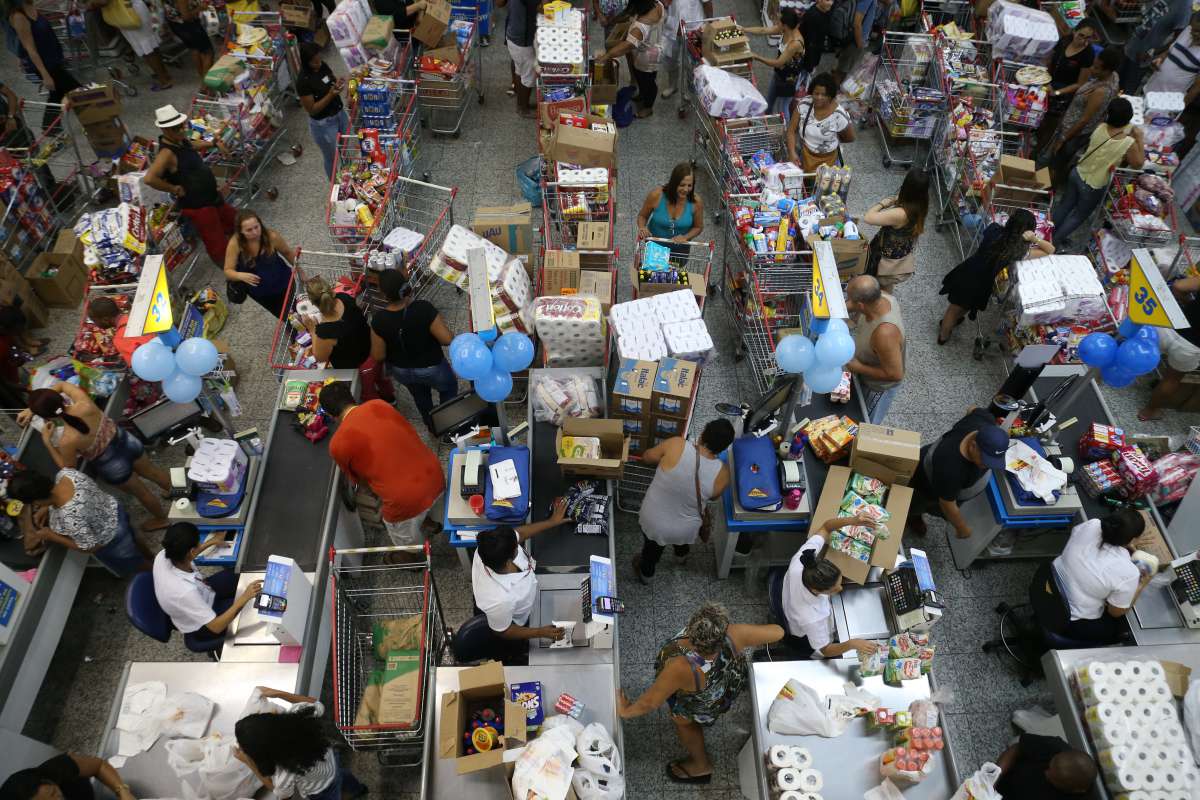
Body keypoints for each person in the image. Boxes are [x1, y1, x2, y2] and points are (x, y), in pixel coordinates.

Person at [617, 603, 783, 784]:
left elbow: (650, 702)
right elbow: (778, 632)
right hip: (725, 688)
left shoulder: (682, 667)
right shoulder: (735, 634)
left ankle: (701, 765)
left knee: (684, 723)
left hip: (699, 704)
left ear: (691, 626)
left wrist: (627, 711)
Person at [18, 384, 171, 529]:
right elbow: (62, 384)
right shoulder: (85, 403)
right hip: (125, 441)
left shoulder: (67, 440)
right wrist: (34, 407)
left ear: (46, 417)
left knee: (142, 492)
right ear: (60, 398)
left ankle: (161, 519)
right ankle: (182, 491)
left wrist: (47, 442)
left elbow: (68, 468)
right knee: (153, 472)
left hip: (111, 465)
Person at [319, 381, 443, 552]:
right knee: (420, 504)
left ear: (331, 416)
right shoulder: (379, 405)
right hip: (435, 474)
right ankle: (429, 522)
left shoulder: (338, 444)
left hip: (405, 502)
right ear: (352, 397)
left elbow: (360, 482)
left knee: (403, 537)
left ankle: (412, 557)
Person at [471, 499, 573, 662]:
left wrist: (551, 522)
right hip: (513, 622)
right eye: (515, 546)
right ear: (509, 560)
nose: (518, 542)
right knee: (515, 651)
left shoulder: (487, 548)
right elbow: (503, 631)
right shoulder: (500, 600)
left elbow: (520, 533)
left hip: (518, 600)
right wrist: (540, 632)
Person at [633, 419, 733, 583]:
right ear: (723, 448)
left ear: (702, 435)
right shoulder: (723, 473)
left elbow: (647, 457)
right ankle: (681, 557)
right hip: (686, 528)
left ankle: (646, 576)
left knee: (651, 552)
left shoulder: (676, 444)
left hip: (654, 522)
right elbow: (713, 497)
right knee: (681, 541)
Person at [938, 209, 1054, 344]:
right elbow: (1050, 250)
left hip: (968, 270)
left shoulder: (994, 229)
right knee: (961, 307)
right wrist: (1035, 239)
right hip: (983, 282)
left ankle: (948, 329)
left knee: (955, 306)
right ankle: (943, 335)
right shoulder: (1019, 250)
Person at [8, 468, 149, 576]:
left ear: (35, 500)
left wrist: (51, 536)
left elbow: (90, 547)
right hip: (116, 512)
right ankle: (151, 556)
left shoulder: (69, 517)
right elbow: (65, 496)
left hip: (112, 540)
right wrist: (48, 507)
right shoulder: (66, 473)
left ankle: (154, 573)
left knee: (136, 563)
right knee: (135, 538)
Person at [144, 104, 236, 268]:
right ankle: (228, 268)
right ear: (165, 130)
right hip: (198, 205)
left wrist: (213, 143)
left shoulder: (181, 140)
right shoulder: (166, 153)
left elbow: (193, 145)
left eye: (182, 127)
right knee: (215, 240)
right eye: (176, 129)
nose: (181, 131)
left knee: (232, 219)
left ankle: (239, 245)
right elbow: (149, 178)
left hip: (211, 196)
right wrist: (173, 188)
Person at [234, 688, 367, 800]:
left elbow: (281, 794)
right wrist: (278, 693)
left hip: (321, 789)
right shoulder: (297, 717)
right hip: (332, 762)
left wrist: (249, 763)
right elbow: (318, 705)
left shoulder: (285, 773)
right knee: (344, 777)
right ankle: (359, 790)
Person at [780, 514, 883, 658]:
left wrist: (853, 521)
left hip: (789, 596)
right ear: (816, 590)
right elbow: (826, 650)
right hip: (803, 637)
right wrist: (852, 644)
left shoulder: (802, 562)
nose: (840, 589)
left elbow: (826, 527)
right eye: (834, 589)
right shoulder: (812, 617)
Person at [369, 269, 457, 432]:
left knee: (421, 397)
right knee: (449, 388)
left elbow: (378, 355)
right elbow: (446, 339)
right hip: (433, 368)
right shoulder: (423, 308)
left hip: (402, 371)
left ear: (383, 294)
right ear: (405, 287)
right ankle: (448, 421)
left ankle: (432, 425)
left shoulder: (379, 320)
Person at [1051, 97, 1144, 251]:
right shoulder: (1129, 143)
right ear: (1129, 119)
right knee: (1078, 216)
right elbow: (1138, 164)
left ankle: (1047, 234)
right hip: (1094, 185)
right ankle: (1054, 242)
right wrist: (1140, 138)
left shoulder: (1100, 127)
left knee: (1065, 206)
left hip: (1078, 172)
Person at [153, 522, 262, 649]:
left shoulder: (165, 555)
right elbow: (216, 627)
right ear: (192, 551)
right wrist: (244, 598)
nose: (200, 545)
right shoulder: (184, 592)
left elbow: (190, 552)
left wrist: (212, 541)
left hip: (203, 591)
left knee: (239, 573)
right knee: (252, 607)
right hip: (205, 625)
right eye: (199, 543)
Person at [906, 407, 1009, 539]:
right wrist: (962, 528)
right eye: (985, 460)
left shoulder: (983, 420)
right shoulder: (951, 469)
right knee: (916, 504)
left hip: (953, 485)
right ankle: (913, 517)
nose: (988, 465)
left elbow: (972, 409)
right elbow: (947, 504)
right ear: (973, 445)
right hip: (926, 484)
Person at [1053, 510, 1154, 643]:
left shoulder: (1092, 524)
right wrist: (1141, 585)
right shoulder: (1128, 572)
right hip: (1070, 618)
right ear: (1134, 539)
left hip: (1050, 584)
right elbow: (1115, 612)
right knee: (1119, 627)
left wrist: (1124, 541)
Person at [1043, 45, 1123, 183]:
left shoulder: (1100, 92)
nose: (1092, 69)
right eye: (1094, 65)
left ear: (1107, 70)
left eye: (1097, 68)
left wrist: (1063, 139)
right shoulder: (1114, 77)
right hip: (1072, 127)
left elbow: (1083, 120)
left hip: (1074, 133)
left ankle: (1046, 190)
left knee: (1056, 164)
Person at [5, 0, 82, 131]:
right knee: (77, 91)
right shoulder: (18, 16)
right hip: (44, 64)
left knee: (56, 94)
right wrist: (45, 75)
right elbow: (30, 49)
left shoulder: (31, 5)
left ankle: (49, 129)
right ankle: (95, 118)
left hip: (54, 57)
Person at [844, 275, 905, 424]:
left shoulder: (885, 334)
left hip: (876, 387)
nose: (848, 303)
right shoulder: (880, 296)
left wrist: (859, 367)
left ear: (862, 305)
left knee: (863, 421)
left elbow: (896, 374)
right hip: (864, 364)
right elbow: (852, 306)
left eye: (851, 299)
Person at [1138, 275, 1200, 420]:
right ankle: (1148, 411)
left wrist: (1189, 302)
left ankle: (1101, 377)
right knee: (1171, 380)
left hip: (1171, 326)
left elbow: (1178, 287)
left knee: (1140, 349)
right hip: (1190, 347)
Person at [863, 168, 929, 289]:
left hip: (884, 261)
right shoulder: (922, 205)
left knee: (877, 287)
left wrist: (882, 203)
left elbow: (868, 218)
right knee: (887, 286)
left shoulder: (900, 214)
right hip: (898, 258)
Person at [599, 0, 666, 118]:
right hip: (656, 47)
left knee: (647, 81)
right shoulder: (657, 4)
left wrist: (607, 55)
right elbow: (627, 14)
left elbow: (626, 45)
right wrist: (613, 21)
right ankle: (642, 95)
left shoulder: (641, 26)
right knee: (647, 78)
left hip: (646, 57)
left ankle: (648, 108)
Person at [1037, 20, 1098, 149]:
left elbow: (1080, 83)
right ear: (1075, 31)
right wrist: (1046, 80)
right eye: (1081, 35)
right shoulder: (1064, 41)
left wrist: (1057, 92)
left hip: (1064, 93)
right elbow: (1050, 60)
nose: (1083, 40)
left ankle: (1039, 149)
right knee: (1036, 113)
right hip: (1048, 82)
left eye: (1088, 38)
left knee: (1049, 125)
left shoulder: (1088, 54)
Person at [223, 210, 296, 318]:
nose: (255, 232)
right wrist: (240, 275)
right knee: (283, 315)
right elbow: (228, 271)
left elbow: (288, 253)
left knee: (298, 307)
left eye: (256, 227)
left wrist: (301, 273)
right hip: (262, 293)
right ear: (240, 231)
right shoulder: (235, 244)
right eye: (249, 230)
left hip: (285, 282)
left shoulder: (271, 236)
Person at [88, 0, 174, 91]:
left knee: (147, 50)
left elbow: (103, 1)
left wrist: (90, 4)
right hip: (133, 8)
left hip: (128, 13)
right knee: (150, 45)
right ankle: (164, 74)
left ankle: (164, 80)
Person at [296, 42, 350, 180]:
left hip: (340, 114)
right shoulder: (303, 81)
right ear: (307, 62)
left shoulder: (323, 66)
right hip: (324, 125)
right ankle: (336, 186)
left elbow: (331, 80)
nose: (318, 64)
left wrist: (339, 84)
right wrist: (331, 94)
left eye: (319, 59)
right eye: (314, 62)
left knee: (346, 150)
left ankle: (350, 178)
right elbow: (312, 110)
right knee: (332, 157)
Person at [1119, 0, 1193, 92]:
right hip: (1130, 45)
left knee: (1126, 91)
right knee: (1117, 80)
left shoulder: (1184, 6)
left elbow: (1178, 40)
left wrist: (1152, 52)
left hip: (1142, 57)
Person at [994, 734, 1098, 799]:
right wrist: (993, 776)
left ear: (1076, 790)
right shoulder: (1053, 746)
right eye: (1049, 766)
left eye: (1054, 779)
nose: (1046, 773)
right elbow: (1016, 749)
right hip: (1000, 784)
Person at [786, 72, 854, 170]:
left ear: (831, 95)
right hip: (805, 156)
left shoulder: (839, 115)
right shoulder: (804, 105)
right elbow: (791, 130)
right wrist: (792, 152)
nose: (819, 98)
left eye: (824, 95)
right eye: (816, 93)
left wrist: (831, 140)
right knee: (805, 183)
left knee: (824, 184)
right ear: (811, 92)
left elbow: (849, 138)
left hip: (829, 162)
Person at [0, 751, 137, 800]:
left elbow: (98, 766)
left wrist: (122, 791)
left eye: (53, 793)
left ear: (48, 779)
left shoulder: (56, 769)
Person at [747, 9, 807, 119]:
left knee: (783, 109)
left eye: (779, 21)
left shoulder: (795, 43)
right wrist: (743, 29)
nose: (776, 23)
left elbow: (778, 63)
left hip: (789, 81)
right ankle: (765, 122)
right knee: (768, 102)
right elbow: (763, 30)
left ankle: (787, 131)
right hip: (778, 75)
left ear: (785, 25)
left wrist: (757, 56)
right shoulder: (784, 30)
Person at [302, 276, 372, 370]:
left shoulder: (325, 332)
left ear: (312, 303)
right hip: (371, 347)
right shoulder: (344, 298)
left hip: (356, 367)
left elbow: (320, 358)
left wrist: (312, 330)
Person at [636, 162, 705, 245]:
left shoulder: (696, 202)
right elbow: (642, 216)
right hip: (654, 248)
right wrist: (642, 227)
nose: (686, 189)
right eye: (682, 185)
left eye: (689, 185)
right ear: (673, 184)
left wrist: (685, 237)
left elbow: (698, 227)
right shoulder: (656, 195)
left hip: (680, 250)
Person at [658, 0, 711, 99]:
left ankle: (691, 89)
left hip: (694, 28)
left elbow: (707, 2)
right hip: (670, 28)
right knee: (669, 59)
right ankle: (672, 86)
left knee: (693, 63)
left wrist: (709, 24)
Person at [497, 0, 540, 116]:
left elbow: (499, 3)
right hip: (524, 38)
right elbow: (544, 7)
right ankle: (523, 108)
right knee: (528, 74)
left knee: (519, 68)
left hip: (512, 33)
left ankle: (521, 101)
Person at [1144, 13, 1200, 98]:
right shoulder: (1188, 30)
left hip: (1170, 100)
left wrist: (1181, 106)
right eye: (1193, 29)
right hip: (1151, 89)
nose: (1193, 33)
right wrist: (1160, 59)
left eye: (1198, 31)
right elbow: (1170, 51)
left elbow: (1196, 88)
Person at [86, 296, 152, 368]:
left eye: (95, 321)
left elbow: (140, 365)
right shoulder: (138, 316)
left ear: (105, 319)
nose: (96, 324)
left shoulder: (120, 339)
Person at [163, 0, 213, 79]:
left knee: (195, 50)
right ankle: (206, 84)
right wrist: (200, 8)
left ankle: (203, 78)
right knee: (207, 53)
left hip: (178, 25)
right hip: (189, 26)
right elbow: (186, 17)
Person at [836, 0, 878, 81]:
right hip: (855, 39)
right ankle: (832, 91)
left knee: (843, 68)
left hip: (851, 36)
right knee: (842, 71)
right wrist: (860, 44)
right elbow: (857, 23)